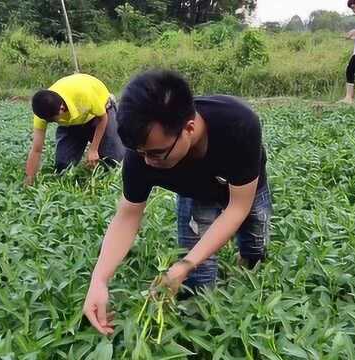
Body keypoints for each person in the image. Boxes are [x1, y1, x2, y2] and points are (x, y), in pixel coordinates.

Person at [82, 70, 272, 335]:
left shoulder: (238, 124)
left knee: (255, 240)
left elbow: (237, 208)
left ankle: (249, 264)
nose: (147, 162)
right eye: (141, 153)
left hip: (244, 186)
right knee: (197, 280)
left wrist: (182, 265)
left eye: (157, 154)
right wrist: (99, 279)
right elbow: (127, 216)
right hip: (197, 194)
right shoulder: (143, 151)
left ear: (189, 129)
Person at [23, 73, 125, 186]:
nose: (51, 122)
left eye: (53, 120)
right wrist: (29, 178)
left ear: (61, 108)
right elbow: (36, 149)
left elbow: (103, 117)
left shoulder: (83, 95)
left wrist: (93, 149)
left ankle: (106, 172)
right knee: (63, 167)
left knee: (112, 160)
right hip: (72, 123)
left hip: (100, 113)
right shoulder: (43, 112)